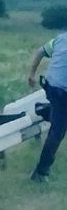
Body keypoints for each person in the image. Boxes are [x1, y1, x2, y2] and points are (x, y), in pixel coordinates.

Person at [27, 33, 67, 182]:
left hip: (50, 87)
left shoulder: (61, 38)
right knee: (58, 132)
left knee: (60, 117)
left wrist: (31, 74)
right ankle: (40, 172)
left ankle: (44, 110)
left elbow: (40, 52)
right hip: (64, 92)